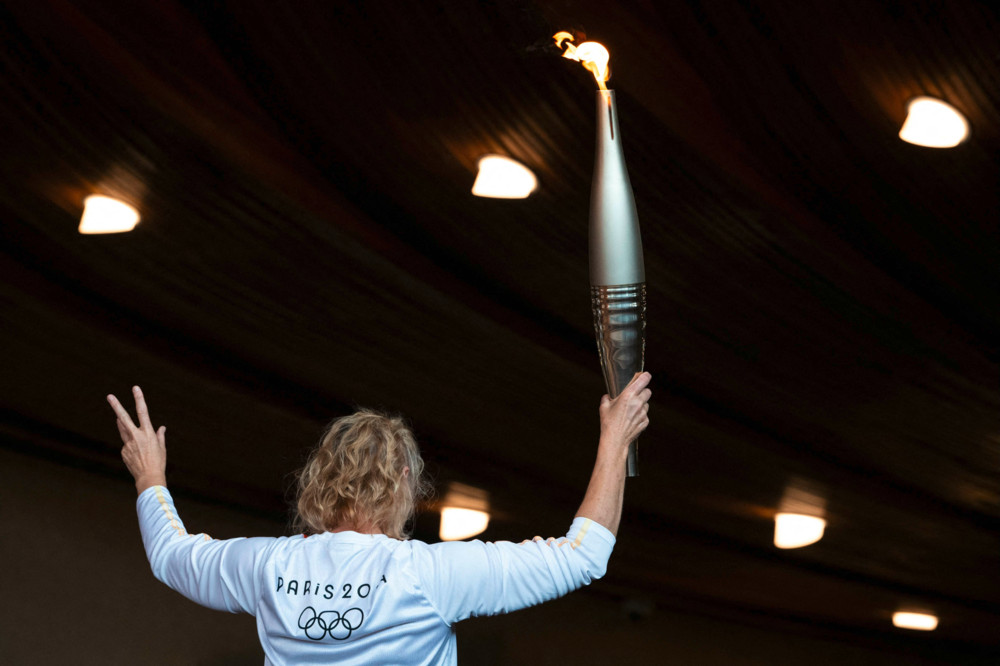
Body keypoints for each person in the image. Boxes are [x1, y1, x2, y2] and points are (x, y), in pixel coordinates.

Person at [107, 372, 651, 665]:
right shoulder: (430, 575)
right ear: (408, 489)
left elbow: (171, 556)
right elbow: (585, 553)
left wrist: (150, 478)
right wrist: (615, 440)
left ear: (316, 481)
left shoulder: (267, 567)